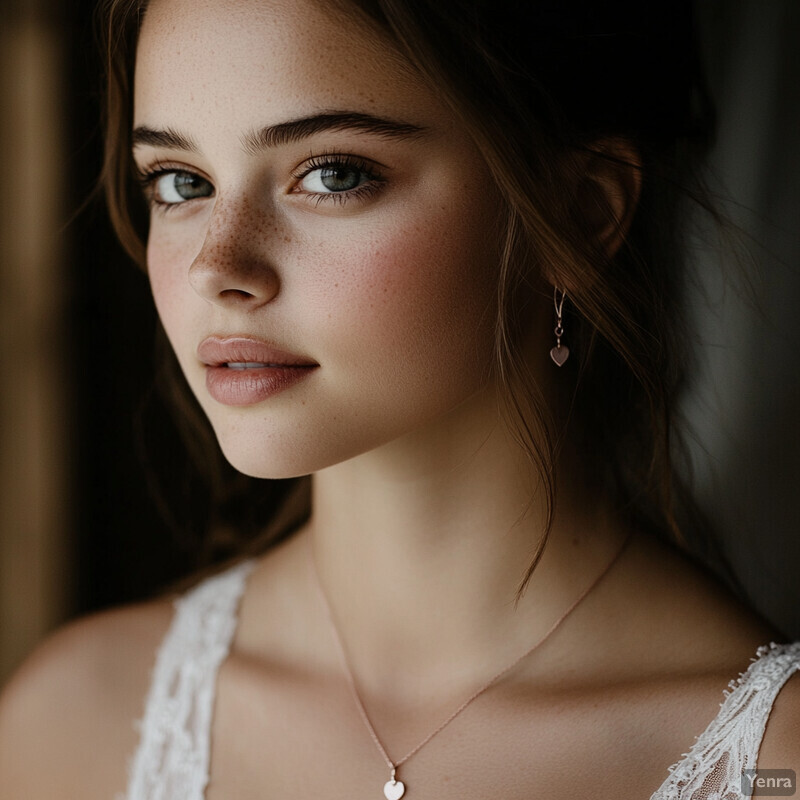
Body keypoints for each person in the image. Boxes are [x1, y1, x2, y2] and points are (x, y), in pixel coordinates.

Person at [0, 0, 798, 797]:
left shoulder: (775, 766)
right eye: (181, 182)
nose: (218, 266)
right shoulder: (74, 727)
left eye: (333, 174)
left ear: (581, 213)